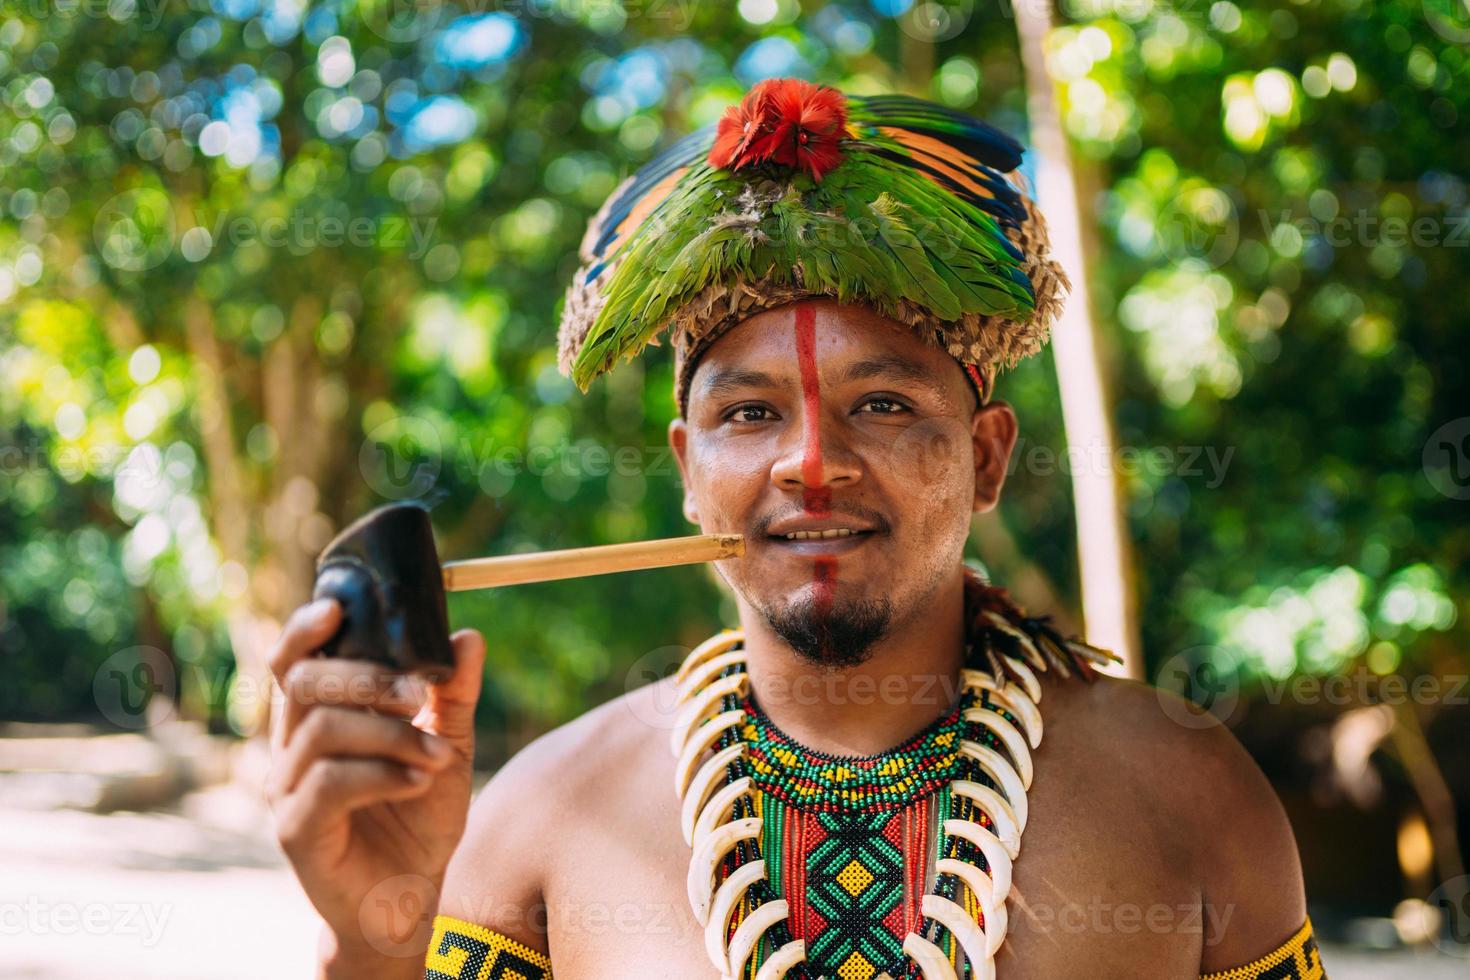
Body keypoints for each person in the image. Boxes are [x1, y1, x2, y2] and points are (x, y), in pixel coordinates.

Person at [266, 79, 1324, 979]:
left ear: (988, 458)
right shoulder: (542, 819)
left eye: (886, 404)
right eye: (750, 412)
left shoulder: (1191, 794)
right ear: (688, 471)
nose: (810, 460)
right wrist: (373, 944)